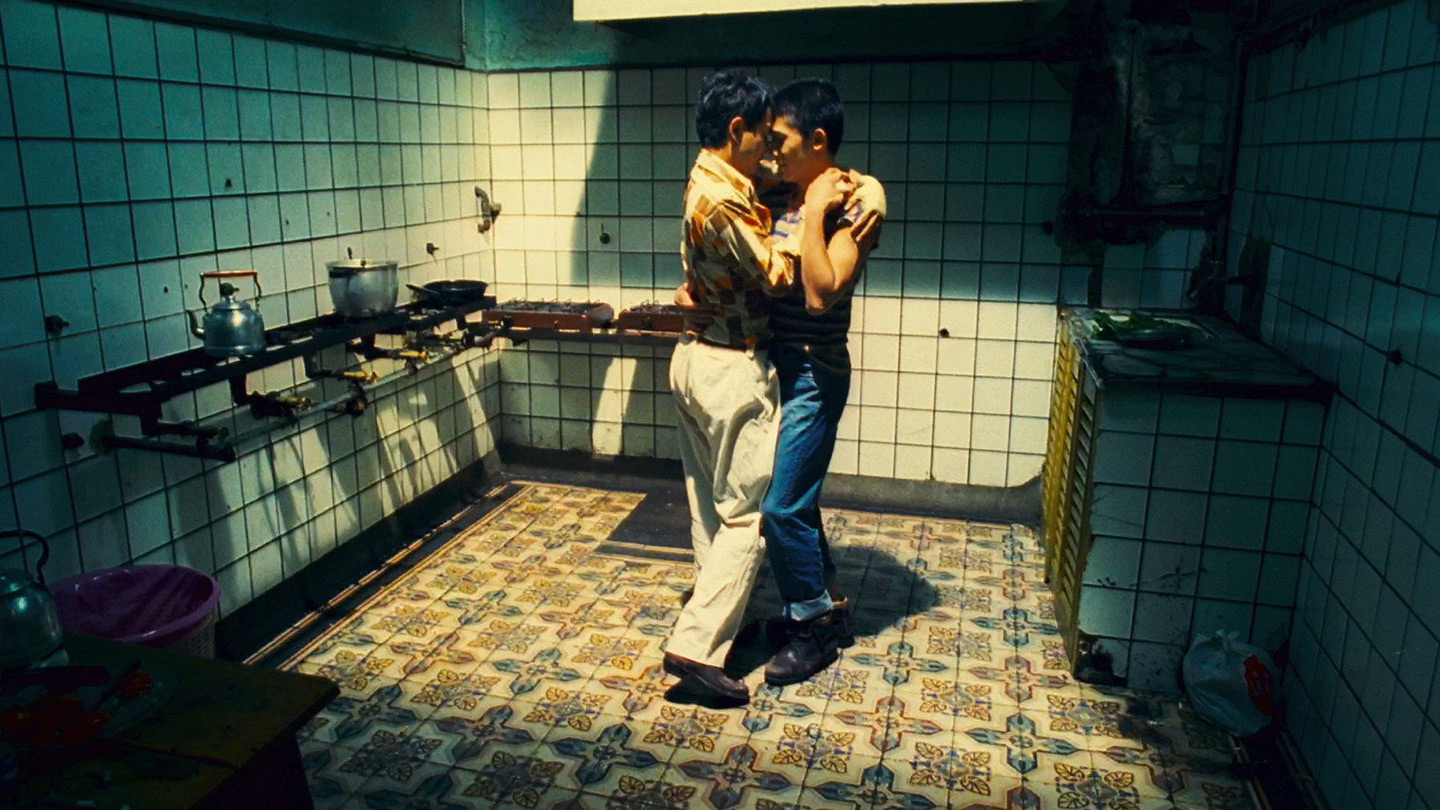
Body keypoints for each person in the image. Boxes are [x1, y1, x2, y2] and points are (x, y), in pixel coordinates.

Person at [662, 70, 831, 706]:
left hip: (695, 360)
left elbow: (710, 267)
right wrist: (810, 213)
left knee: (710, 509)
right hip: (732, 369)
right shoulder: (726, 199)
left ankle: (715, 634)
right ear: (737, 130)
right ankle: (697, 646)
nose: (768, 150)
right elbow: (778, 274)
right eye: (761, 137)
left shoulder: (709, 176)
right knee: (747, 515)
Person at [756, 78, 886, 686]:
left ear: (816, 140)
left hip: (815, 372)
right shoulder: (776, 191)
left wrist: (813, 214)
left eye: (779, 137)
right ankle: (825, 602)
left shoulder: (850, 209)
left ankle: (814, 631)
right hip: (775, 368)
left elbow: (818, 292)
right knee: (794, 498)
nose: (769, 147)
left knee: (782, 507)